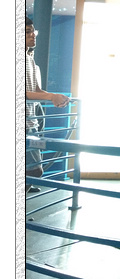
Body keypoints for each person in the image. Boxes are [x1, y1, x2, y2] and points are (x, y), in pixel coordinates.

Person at [25, 16, 69, 192]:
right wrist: (51, 97)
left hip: (30, 122)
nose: (32, 35)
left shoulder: (30, 59)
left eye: (33, 31)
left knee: (32, 170)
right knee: (35, 170)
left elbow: (36, 89)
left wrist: (56, 97)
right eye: (27, 32)